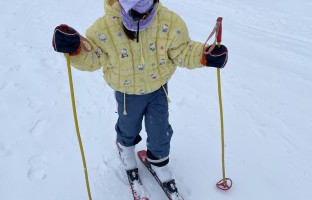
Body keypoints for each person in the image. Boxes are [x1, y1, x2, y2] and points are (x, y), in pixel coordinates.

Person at [52, 0, 228, 195]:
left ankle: (159, 162)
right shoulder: (104, 28)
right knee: (128, 127)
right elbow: (93, 57)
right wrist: (75, 50)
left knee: (160, 129)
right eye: (136, 12)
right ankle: (126, 150)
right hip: (127, 93)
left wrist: (206, 55)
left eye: (148, 10)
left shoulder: (168, 22)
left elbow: (182, 50)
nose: (143, 17)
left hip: (158, 89)